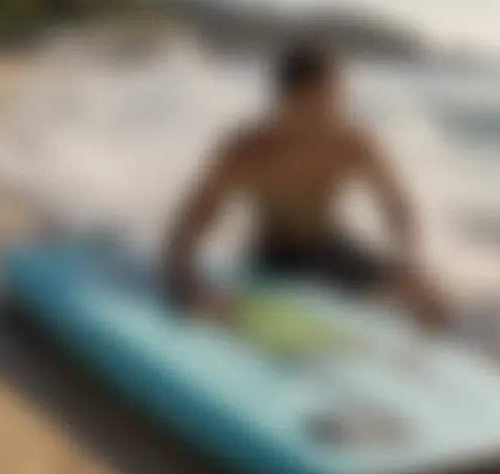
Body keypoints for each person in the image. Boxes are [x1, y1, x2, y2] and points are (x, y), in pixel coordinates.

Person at [163, 42, 453, 328]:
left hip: (330, 247)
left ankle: (433, 357)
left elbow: (395, 203)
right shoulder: (248, 149)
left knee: (433, 297)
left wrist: (412, 261)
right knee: (249, 316)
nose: (332, 113)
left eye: (337, 99)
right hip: (274, 257)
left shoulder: (353, 142)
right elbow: (195, 216)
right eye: (322, 102)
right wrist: (187, 283)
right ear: (286, 100)